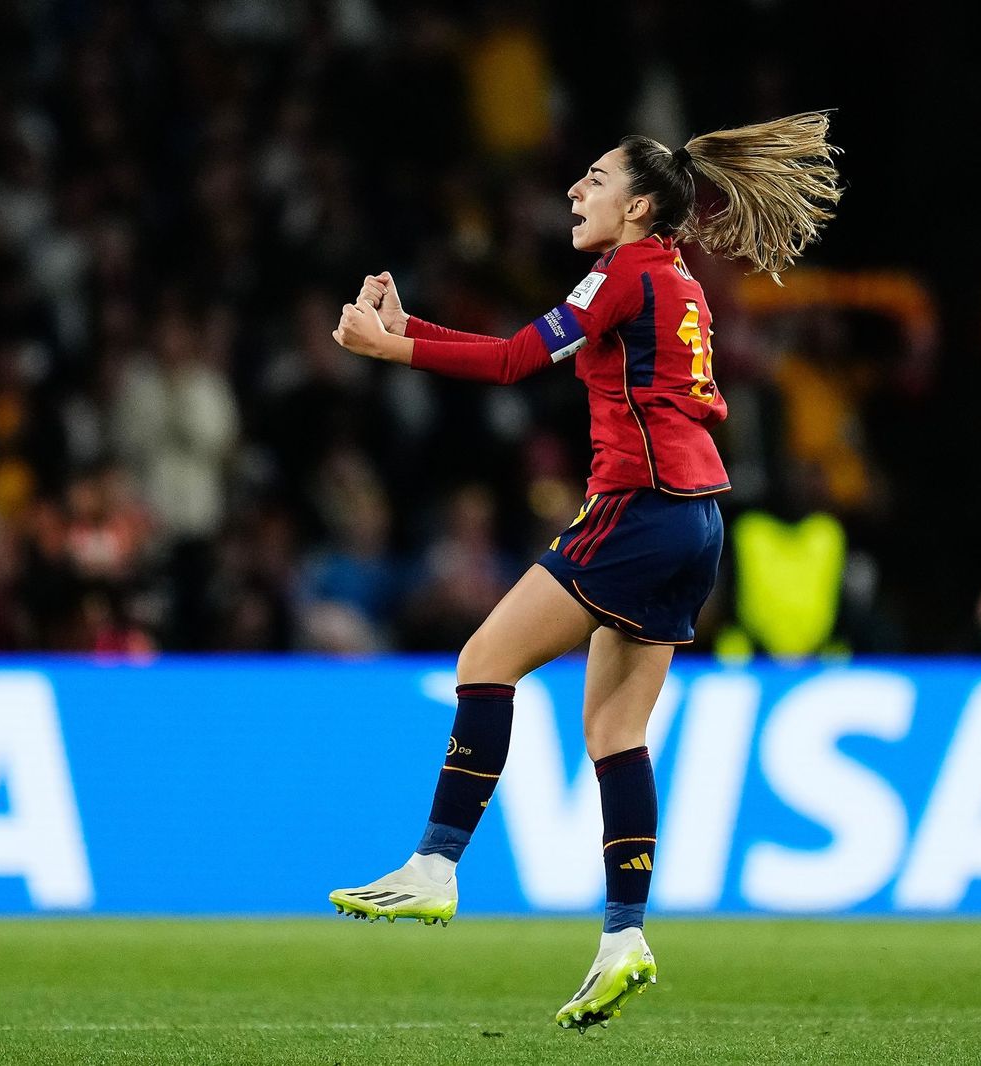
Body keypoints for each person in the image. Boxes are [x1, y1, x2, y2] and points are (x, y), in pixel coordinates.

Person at [326, 112, 842, 1032]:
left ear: (639, 205)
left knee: (485, 662)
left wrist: (389, 347)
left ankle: (435, 864)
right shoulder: (677, 280)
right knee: (614, 732)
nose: (576, 188)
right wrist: (417, 324)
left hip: (635, 510)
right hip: (697, 521)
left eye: (596, 178)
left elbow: (518, 357)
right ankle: (623, 936)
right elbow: (544, 345)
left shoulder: (623, 269)